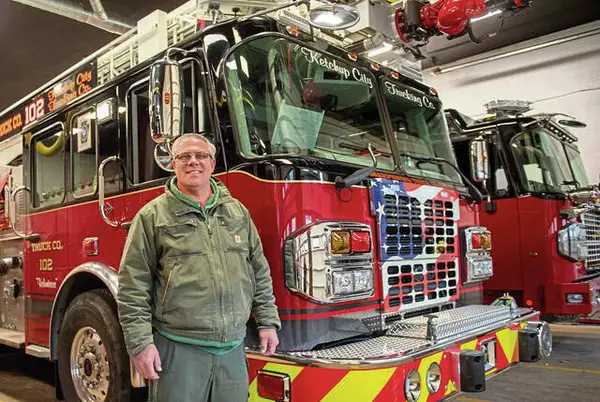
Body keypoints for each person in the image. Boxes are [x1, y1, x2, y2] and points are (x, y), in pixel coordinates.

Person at [117, 133, 281, 402]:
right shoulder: (152, 217)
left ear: (212, 163)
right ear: (173, 164)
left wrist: (267, 323)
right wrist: (140, 344)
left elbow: (258, 271)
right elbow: (132, 286)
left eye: (201, 155)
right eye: (184, 156)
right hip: (179, 350)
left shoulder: (238, 213)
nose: (193, 161)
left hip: (232, 350)